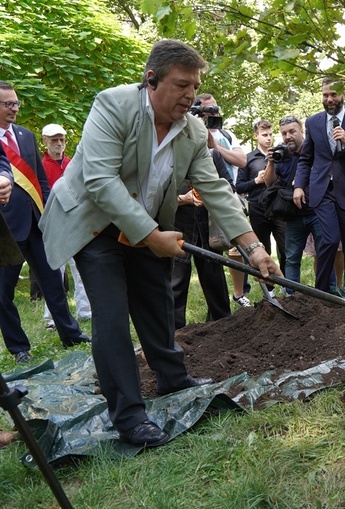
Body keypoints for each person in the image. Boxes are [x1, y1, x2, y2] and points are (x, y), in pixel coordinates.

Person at [39, 40, 280, 448]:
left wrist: (253, 247)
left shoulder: (193, 130)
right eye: (182, 85)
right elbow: (100, 181)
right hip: (94, 224)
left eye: (195, 86)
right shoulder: (113, 106)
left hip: (145, 224)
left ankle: (171, 377)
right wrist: (151, 237)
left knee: (156, 303)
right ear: (151, 80)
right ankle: (130, 416)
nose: (191, 95)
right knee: (112, 318)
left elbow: (217, 191)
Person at [0, 82, 90, 364]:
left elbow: (40, 180)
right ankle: (19, 348)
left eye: (16, 103)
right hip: (5, 229)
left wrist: (51, 211)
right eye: (8, 104)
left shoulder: (25, 136)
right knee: (3, 293)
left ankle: (70, 333)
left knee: (54, 283)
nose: (14, 108)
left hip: (37, 224)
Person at [293, 79, 345, 298]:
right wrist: (299, 186)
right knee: (328, 240)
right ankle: (321, 294)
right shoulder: (313, 122)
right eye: (325, 95)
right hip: (321, 191)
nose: (329, 99)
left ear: (344, 95)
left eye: (333, 95)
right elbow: (305, 158)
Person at [194, 93, 252, 308]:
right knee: (207, 255)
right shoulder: (190, 129)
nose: (212, 114)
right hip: (196, 201)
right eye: (206, 110)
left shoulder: (226, 134)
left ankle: (237, 294)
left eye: (215, 110)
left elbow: (242, 160)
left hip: (226, 195)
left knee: (231, 247)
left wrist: (215, 146)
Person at [263, 115, 331, 294]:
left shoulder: (315, 149)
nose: (288, 136)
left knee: (325, 254)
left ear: (302, 130)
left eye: (292, 131)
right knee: (292, 258)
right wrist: (271, 161)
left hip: (317, 211)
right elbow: (269, 182)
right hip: (293, 215)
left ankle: (330, 293)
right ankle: (292, 295)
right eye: (284, 133)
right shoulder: (281, 155)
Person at [171, 148, 233, 329]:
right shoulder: (170, 156)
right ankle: (175, 334)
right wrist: (183, 199)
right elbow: (156, 196)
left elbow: (228, 186)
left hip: (208, 232)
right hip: (179, 230)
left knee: (214, 280)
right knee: (176, 283)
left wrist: (210, 193)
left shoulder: (212, 155)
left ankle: (223, 326)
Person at [40, 123, 92, 323]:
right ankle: (52, 317)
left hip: (76, 221)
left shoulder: (72, 163)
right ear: (45, 141)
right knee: (55, 271)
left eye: (61, 139)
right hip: (54, 225)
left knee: (81, 269)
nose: (59, 143)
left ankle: (85, 312)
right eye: (54, 140)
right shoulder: (41, 165)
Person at [237, 119, 286, 287]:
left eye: (271, 135)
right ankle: (269, 287)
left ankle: (287, 285)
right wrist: (256, 181)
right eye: (264, 135)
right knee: (262, 250)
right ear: (256, 136)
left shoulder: (281, 155)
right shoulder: (247, 159)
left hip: (279, 207)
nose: (268, 138)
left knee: (286, 248)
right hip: (257, 209)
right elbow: (239, 186)